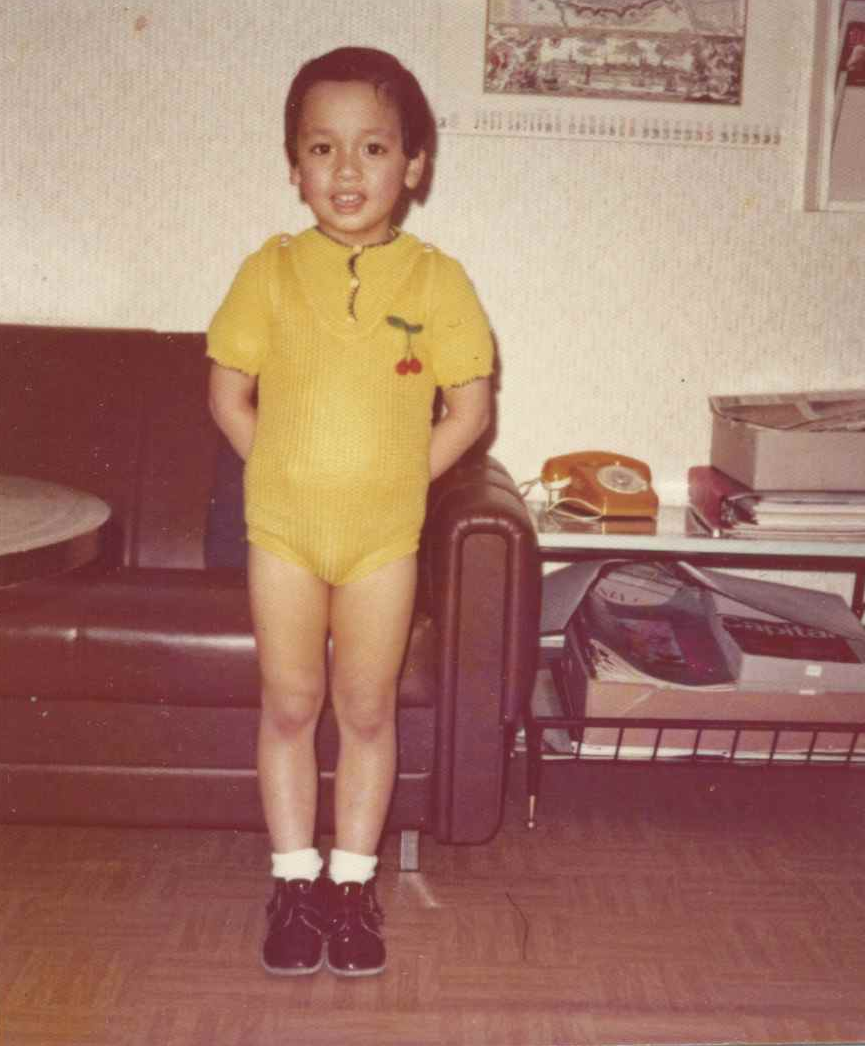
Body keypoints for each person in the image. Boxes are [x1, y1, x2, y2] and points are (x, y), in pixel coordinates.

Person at [206, 46, 494, 977]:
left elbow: (468, 412)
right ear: (294, 165)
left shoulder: (439, 280)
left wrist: (401, 487)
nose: (346, 170)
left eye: (373, 147)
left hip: (382, 539)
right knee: (292, 703)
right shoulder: (269, 270)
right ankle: (294, 880)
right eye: (322, 147)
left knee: (368, 710)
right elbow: (228, 396)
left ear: (413, 165)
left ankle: (350, 883)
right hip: (283, 533)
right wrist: (282, 475)